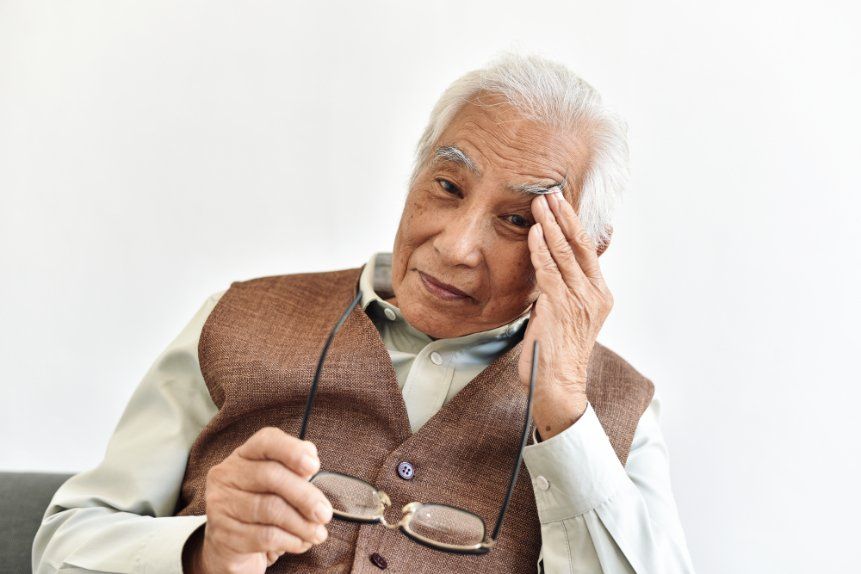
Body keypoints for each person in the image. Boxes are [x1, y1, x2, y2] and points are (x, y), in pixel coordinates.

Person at [33, 53, 695, 573]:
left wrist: (561, 410)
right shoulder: (239, 320)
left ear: (581, 248)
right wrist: (203, 554)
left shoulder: (616, 410)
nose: (456, 246)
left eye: (517, 220)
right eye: (446, 186)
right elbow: (63, 546)